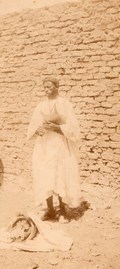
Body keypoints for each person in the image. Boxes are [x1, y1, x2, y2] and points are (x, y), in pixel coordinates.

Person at [27, 77, 82, 221]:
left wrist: (57, 128)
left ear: (57, 87)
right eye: (44, 87)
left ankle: (62, 211)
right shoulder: (40, 106)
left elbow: (73, 128)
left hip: (59, 146)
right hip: (44, 146)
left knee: (60, 175)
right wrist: (38, 129)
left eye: (49, 87)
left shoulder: (65, 104)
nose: (46, 89)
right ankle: (50, 210)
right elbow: (33, 126)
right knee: (46, 176)